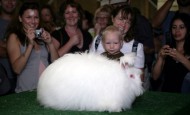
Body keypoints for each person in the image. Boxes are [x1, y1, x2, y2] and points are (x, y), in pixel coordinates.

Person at [6, 2, 59, 93]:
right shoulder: (14, 37)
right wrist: (30, 45)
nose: (33, 21)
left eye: (36, 17)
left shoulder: (41, 35)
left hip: (46, 90)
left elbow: (57, 64)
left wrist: (50, 43)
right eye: (29, 17)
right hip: (26, 92)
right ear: (20, 18)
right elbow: (17, 69)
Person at [90, 5, 144, 81]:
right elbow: (90, 65)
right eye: (121, 19)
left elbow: (139, 79)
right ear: (112, 18)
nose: (123, 24)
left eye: (128, 22)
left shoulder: (136, 47)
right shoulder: (98, 40)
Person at [152, 13, 190, 93]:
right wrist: (160, 58)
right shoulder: (168, 49)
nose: (177, 31)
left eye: (181, 27)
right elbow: (155, 77)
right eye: (174, 27)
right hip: (167, 96)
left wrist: (181, 58)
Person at [0, 0, 18, 94]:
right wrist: (17, 49)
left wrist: (5, 45)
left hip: (22, 77)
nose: (10, 2)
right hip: (4, 80)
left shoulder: (23, 21)